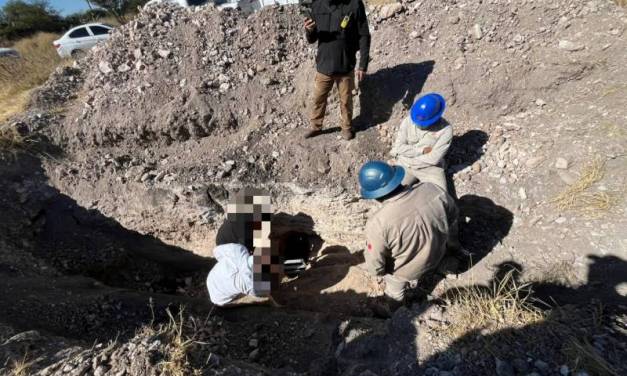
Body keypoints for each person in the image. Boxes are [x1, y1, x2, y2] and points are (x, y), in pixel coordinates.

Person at [358, 161, 459, 313]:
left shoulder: (378, 223)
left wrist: (379, 273)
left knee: (394, 290)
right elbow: (453, 216)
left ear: (375, 195)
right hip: (439, 253)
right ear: (397, 179)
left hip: (406, 272)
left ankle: (395, 311)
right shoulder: (432, 189)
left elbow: (375, 263)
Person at [303, 0, 371, 141]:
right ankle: (315, 127)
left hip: (345, 65)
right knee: (318, 99)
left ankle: (346, 128)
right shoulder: (317, 4)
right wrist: (309, 31)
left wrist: (363, 64)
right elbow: (312, 39)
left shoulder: (354, 4)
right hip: (324, 65)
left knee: (346, 101)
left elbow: (364, 35)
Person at [207, 189, 282, 306]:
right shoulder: (247, 283)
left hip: (219, 272)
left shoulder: (238, 249)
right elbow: (260, 292)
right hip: (222, 299)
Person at [390, 93, 452, 192]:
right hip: (405, 164)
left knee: (440, 196)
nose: (419, 125)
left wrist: (408, 153)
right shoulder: (408, 121)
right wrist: (421, 150)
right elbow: (399, 147)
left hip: (429, 169)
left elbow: (433, 159)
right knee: (391, 191)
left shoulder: (445, 130)